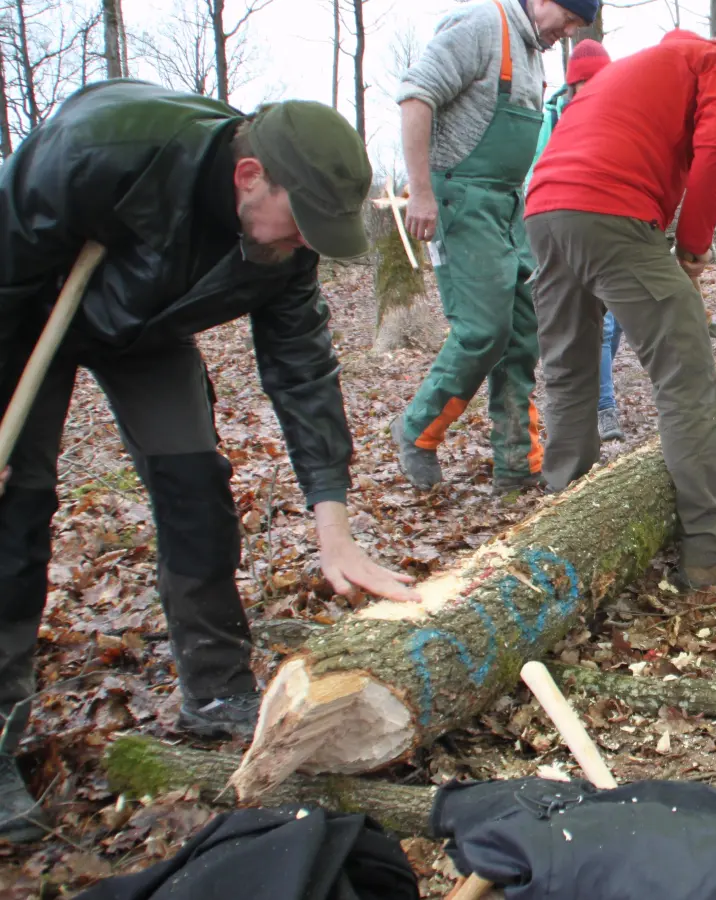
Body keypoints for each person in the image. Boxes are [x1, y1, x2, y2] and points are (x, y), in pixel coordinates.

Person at [0, 80, 422, 841]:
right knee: (15, 507)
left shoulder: (285, 248)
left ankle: (217, 687)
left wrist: (335, 522)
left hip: (144, 333)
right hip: (26, 307)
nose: (305, 247)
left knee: (195, 485)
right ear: (248, 176)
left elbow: (302, 372)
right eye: (301, 225)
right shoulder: (103, 150)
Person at [524, 30, 716, 590]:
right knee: (689, 380)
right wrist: (691, 245)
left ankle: (564, 533)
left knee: (570, 371)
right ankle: (713, 556)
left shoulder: (644, 67)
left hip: (544, 209)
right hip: (605, 207)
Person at [389, 0, 593, 493]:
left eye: (576, 28)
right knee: (484, 328)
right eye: (567, 20)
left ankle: (516, 462)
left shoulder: (532, 49)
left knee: (523, 331)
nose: (566, 34)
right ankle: (418, 429)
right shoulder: (483, 25)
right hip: (459, 196)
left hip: (506, 203)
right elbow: (416, 96)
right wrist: (420, 192)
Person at [532, 39, 628, 444]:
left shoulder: (622, 112)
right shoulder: (554, 118)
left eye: (598, 81)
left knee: (617, 320)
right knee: (599, 327)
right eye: (583, 83)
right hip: (567, 231)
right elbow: (535, 174)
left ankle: (596, 390)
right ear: (572, 86)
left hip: (617, 229)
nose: (591, 90)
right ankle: (603, 409)